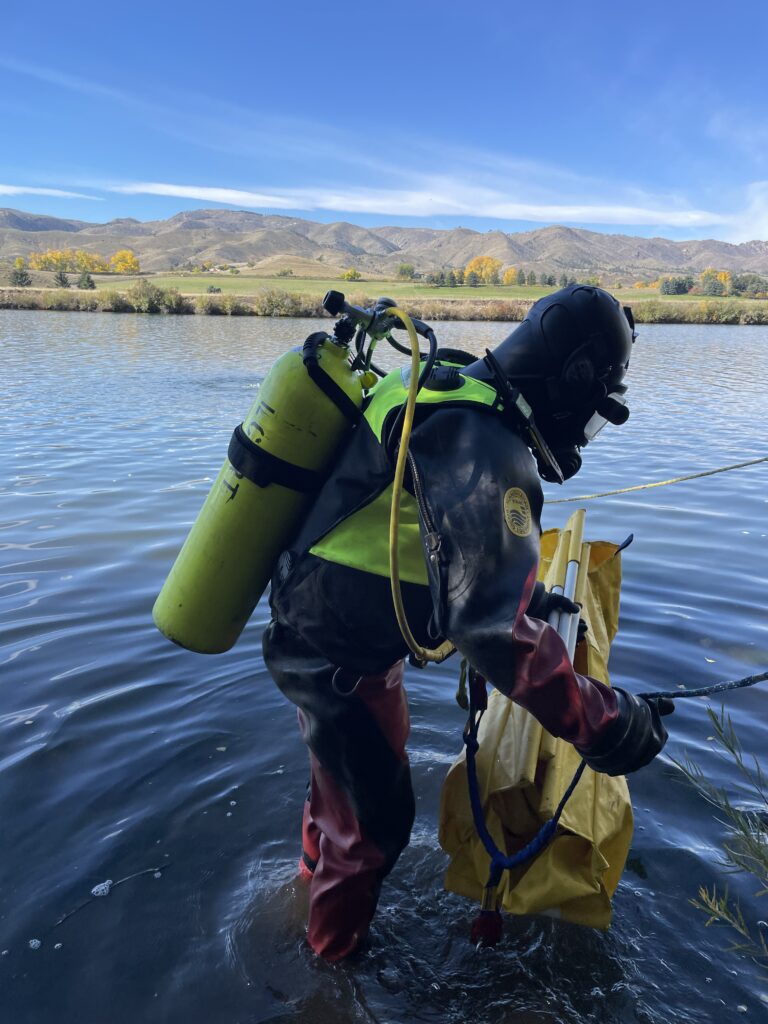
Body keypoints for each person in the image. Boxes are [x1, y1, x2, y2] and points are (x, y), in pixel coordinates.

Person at [263, 284, 671, 961]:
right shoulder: (487, 445)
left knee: (346, 791)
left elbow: (438, 542)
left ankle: (310, 889)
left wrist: (529, 597)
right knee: (372, 828)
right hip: (336, 655)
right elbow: (486, 633)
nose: (582, 434)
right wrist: (606, 722)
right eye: (592, 416)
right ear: (571, 380)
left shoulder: (447, 386)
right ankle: (326, 977)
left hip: (330, 631)